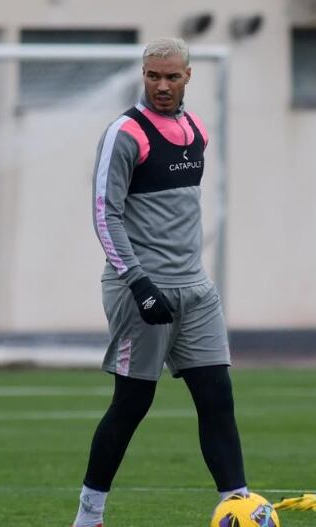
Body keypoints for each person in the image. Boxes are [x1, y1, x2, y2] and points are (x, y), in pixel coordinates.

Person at [72, 37, 248, 527]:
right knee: (132, 403)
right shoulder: (125, 133)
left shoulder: (196, 131)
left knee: (217, 396)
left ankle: (239, 504)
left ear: (188, 76)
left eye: (172, 76)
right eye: (153, 76)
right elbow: (105, 215)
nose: (162, 85)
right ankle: (89, 516)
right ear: (143, 75)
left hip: (195, 289)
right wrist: (138, 282)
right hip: (141, 289)